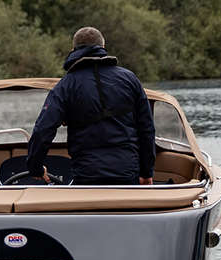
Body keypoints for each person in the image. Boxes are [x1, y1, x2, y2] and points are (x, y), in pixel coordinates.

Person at [25, 27, 155, 185]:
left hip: (86, 174)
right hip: (127, 172)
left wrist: (35, 167)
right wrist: (147, 172)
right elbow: (146, 129)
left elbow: (43, 130)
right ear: (103, 47)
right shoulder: (130, 79)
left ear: (73, 50)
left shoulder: (65, 85)